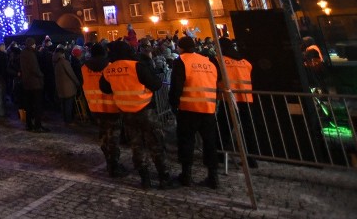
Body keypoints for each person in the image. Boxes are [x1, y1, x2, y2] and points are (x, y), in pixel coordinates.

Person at [100, 40, 171, 190]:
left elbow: (105, 88)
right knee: (156, 144)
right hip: (145, 110)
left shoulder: (109, 69)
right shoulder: (136, 66)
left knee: (136, 146)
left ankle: (144, 178)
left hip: (127, 113)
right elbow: (156, 84)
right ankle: (164, 178)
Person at [169, 36, 220, 189]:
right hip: (208, 107)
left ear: (181, 47)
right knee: (210, 143)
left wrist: (174, 104)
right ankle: (213, 176)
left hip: (188, 108)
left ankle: (186, 175)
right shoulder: (209, 60)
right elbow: (217, 80)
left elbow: (176, 85)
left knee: (186, 142)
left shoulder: (181, 61)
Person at [81, 43, 127, 178]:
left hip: (95, 107)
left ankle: (109, 162)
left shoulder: (84, 67)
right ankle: (114, 166)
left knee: (103, 136)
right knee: (113, 138)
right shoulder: (110, 66)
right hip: (112, 107)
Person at [217, 37, 258, 168]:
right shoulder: (245, 62)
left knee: (224, 129)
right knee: (248, 129)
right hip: (246, 99)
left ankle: (220, 156)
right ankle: (251, 158)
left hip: (228, 99)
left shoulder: (220, 61)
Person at [20, 37, 48, 133]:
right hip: (35, 83)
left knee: (29, 105)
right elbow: (34, 69)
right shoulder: (30, 54)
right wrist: (41, 75)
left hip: (26, 83)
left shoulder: (23, 53)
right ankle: (37, 125)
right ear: (32, 44)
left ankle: (29, 124)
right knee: (37, 105)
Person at [53, 45, 79, 125]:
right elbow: (71, 74)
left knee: (63, 104)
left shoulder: (55, 62)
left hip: (60, 87)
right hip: (68, 87)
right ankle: (69, 121)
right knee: (68, 105)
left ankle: (65, 119)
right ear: (62, 53)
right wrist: (77, 83)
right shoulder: (64, 62)